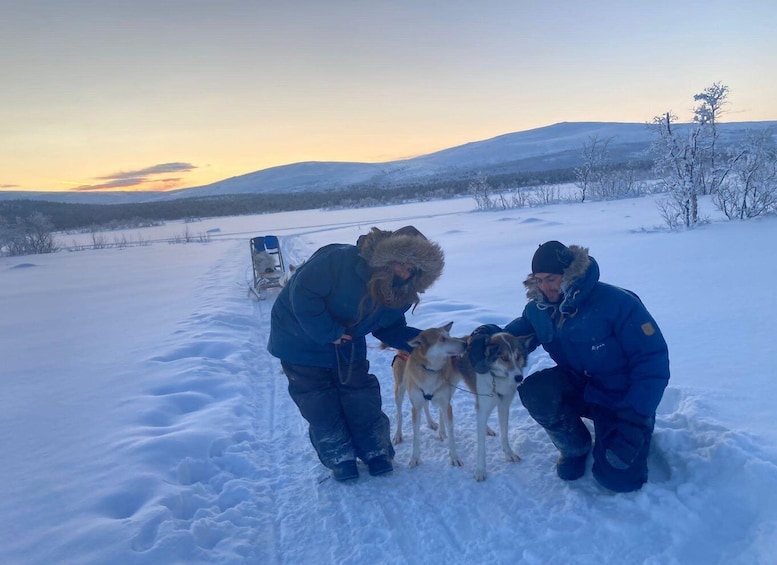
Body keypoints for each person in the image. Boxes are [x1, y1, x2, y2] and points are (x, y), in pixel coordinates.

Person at [468, 241, 669, 492]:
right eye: (538, 280)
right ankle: (575, 447)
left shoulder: (617, 303)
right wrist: (483, 335)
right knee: (535, 390)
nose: (545, 287)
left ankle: (633, 429)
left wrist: (635, 418)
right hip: (581, 388)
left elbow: (653, 363)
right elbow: (511, 338)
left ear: (570, 274)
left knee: (618, 478)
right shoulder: (539, 310)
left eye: (551, 278)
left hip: (621, 400)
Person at [268, 226, 445, 482]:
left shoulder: (401, 292)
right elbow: (302, 294)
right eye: (404, 264)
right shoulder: (338, 260)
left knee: (360, 395)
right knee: (319, 401)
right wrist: (330, 332)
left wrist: (429, 345)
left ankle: (375, 450)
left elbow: (390, 328)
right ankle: (340, 456)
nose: (407, 272)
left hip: (347, 341)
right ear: (388, 256)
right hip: (299, 338)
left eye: (414, 269)